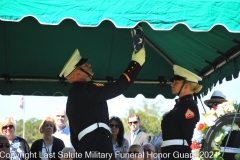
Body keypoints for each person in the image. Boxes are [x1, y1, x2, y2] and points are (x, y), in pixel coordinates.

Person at [58, 24, 145, 159]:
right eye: (84, 64)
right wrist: (136, 62)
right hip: (97, 148)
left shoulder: (76, 95)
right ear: (76, 73)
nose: (89, 65)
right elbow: (119, 87)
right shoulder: (84, 91)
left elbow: (75, 138)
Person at [160, 65, 202, 160]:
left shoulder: (189, 106)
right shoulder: (181, 105)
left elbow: (190, 136)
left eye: (176, 82)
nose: (172, 84)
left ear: (186, 85)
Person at [204, 90, 240, 160]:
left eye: (217, 104)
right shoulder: (207, 127)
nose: (214, 107)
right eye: (212, 105)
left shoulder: (235, 124)